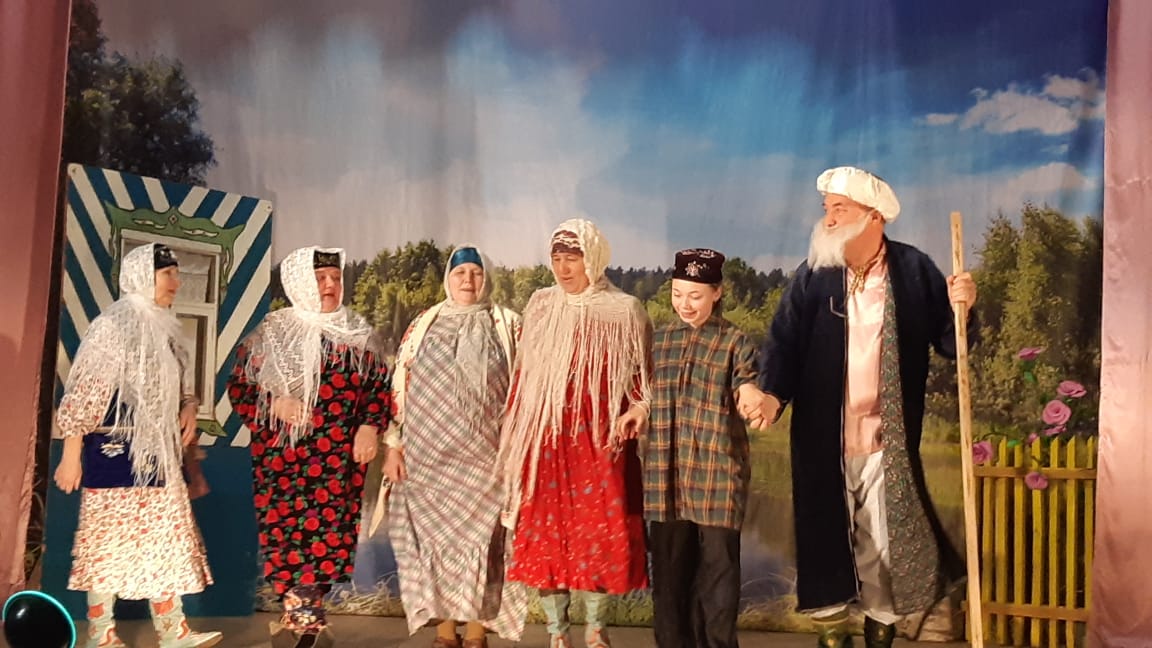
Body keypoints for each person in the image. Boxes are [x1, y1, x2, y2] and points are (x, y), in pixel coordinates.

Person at [754, 167, 979, 648]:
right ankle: (833, 636)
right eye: (827, 209)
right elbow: (783, 342)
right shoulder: (814, 274)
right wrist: (772, 395)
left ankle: (881, 630)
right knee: (823, 536)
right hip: (823, 437)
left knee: (883, 540)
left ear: (874, 216)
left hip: (886, 438)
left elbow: (950, 342)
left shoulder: (913, 270)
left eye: (841, 208)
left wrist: (963, 306)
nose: (829, 219)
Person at [53, 242, 222, 648]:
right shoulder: (113, 325)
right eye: (168, 274)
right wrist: (71, 455)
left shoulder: (166, 327)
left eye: (176, 273)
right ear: (144, 276)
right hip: (115, 448)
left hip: (158, 453)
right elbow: (85, 392)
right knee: (108, 541)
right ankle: (101, 635)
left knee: (162, 537)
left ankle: (173, 631)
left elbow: (178, 385)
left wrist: (189, 406)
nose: (176, 282)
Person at [497, 219, 651, 648]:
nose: (563, 269)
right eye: (557, 259)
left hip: (599, 438)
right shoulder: (541, 304)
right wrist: (516, 431)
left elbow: (643, 377)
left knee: (598, 531)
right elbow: (523, 373)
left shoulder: (624, 310)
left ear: (594, 259)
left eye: (573, 259)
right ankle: (557, 633)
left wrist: (639, 408)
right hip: (546, 439)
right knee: (547, 535)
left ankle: (596, 629)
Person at [226, 246, 391, 644]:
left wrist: (369, 428)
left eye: (335, 277)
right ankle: (304, 621)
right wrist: (274, 404)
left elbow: (378, 390)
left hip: (336, 459)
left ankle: (301, 619)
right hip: (282, 459)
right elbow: (240, 387)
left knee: (328, 535)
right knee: (287, 537)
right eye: (320, 278)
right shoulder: (273, 331)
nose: (331, 284)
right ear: (300, 282)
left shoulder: (358, 333)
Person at [381, 245, 528, 647]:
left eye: (476, 273)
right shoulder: (423, 325)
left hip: (487, 459)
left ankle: (476, 633)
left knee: (485, 545)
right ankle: (446, 633)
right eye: (461, 273)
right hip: (427, 461)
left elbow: (525, 386)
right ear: (448, 278)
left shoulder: (508, 325)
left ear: (487, 279)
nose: (468, 280)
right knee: (436, 544)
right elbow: (399, 384)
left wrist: (519, 448)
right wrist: (393, 445)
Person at [644, 248, 769, 648]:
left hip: (717, 472)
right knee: (669, 574)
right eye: (677, 294)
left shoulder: (735, 341)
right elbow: (640, 393)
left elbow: (746, 380)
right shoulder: (659, 340)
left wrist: (749, 393)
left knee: (718, 574)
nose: (685, 304)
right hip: (666, 473)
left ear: (717, 292)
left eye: (695, 295)